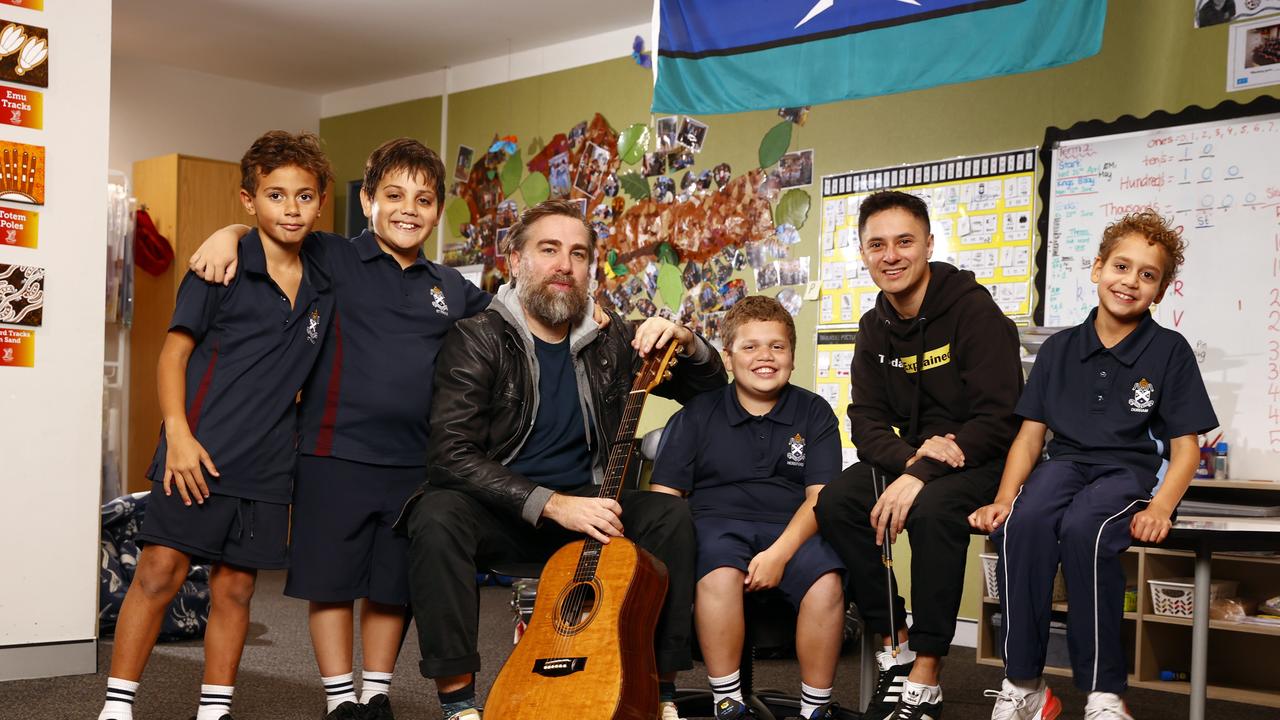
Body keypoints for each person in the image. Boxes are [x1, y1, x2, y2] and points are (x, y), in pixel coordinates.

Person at [188, 138, 499, 720]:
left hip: (414, 462)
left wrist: (591, 311)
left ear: (437, 211)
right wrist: (227, 232)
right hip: (332, 452)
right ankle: (339, 698)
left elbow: (515, 317)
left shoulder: (452, 287)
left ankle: (375, 691)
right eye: (394, 195)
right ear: (368, 200)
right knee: (331, 580)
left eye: (424, 199)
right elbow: (272, 228)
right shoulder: (330, 254)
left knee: (390, 584)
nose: (409, 208)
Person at [403, 199, 727, 720]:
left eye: (578, 254)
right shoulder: (477, 337)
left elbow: (710, 391)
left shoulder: (614, 338)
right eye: (548, 249)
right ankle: (459, 703)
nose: (564, 265)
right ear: (516, 261)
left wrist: (687, 340)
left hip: (597, 514)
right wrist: (553, 504)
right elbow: (450, 454)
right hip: (507, 514)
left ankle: (659, 691)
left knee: (669, 515)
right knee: (436, 514)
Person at [98, 130, 335, 720]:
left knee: (236, 589)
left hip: (269, 462)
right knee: (159, 573)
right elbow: (173, 355)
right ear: (248, 200)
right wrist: (176, 434)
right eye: (275, 195)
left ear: (322, 200)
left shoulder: (328, 275)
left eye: (304, 196)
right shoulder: (217, 270)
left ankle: (215, 709)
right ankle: (117, 706)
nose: (291, 208)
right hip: (197, 450)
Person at [970, 211, 1216, 720]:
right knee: (1025, 523)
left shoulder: (1169, 351)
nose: (1130, 281)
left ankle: (1104, 694)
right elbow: (1030, 437)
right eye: (1121, 266)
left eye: (1147, 275)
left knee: (1088, 529)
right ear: (1097, 267)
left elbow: (1186, 447)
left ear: (1161, 291)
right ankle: (1023, 684)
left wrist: (1162, 507)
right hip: (1064, 465)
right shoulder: (1059, 349)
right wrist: (1002, 499)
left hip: (1124, 473)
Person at [813, 190, 1023, 720]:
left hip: (984, 458)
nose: (891, 255)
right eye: (877, 245)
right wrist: (913, 464)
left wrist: (923, 474)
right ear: (862, 253)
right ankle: (896, 640)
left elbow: (1000, 418)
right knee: (838, 500)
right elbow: (864, 422)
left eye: (904, 241)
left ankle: (927, 670)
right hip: (913, 459)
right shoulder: (872, 326)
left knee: (931, 512)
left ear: (929, 244)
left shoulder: (974, 312)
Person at [651, 295, 846, 720]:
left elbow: (819, 499)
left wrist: (778, 554)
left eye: (777, 346)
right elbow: (664, 501)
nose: (765, 357)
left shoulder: (814, 412)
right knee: (718, 575)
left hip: (794, 527)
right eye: (751, 346)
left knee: (827, 583)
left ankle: (816, 709)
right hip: (715, 526)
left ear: (792, 356)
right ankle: (728, 702)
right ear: (728, 356)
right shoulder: (698, 413)